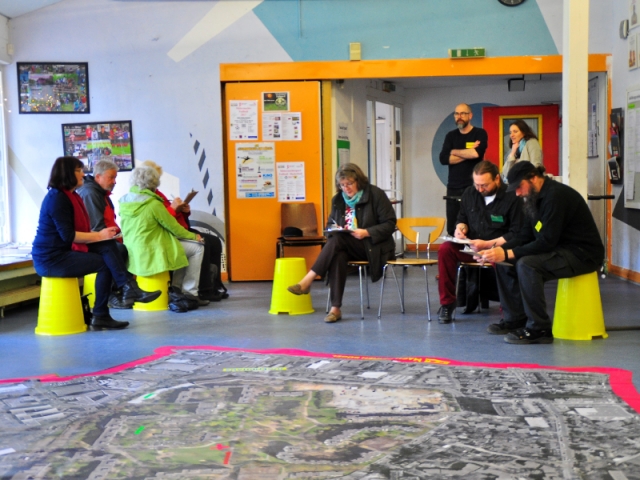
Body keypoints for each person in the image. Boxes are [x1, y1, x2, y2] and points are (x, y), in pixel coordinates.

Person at [478, 162, 605, 344]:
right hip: (560, 250)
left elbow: (546, 241)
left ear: (533, 178)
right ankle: (515, 319)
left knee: (527, 265)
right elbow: (524, 236)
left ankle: (539, 329)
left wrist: (508, 253)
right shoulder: (534, 199)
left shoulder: (556, 196)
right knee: (504, 261)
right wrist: (496, 252)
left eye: (519, 187)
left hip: (582, 254)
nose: (517, 193)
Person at [31, 156, 161, 330]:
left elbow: (74, 234)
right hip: (51, 259)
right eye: (79, 171)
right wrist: (99, 235)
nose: (83, 174)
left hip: (63, 251)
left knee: (108, 246)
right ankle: (104, 311)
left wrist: (103, 236)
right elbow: (68, 236)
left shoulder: (70, 196)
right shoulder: (57, 198)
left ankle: (127, 289)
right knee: (105, 262)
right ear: (67, 173)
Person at [287, 163, 396, 323]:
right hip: (346, 245)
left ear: (359, 180)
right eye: (342, 185)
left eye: (349, 183)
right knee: (338, 253)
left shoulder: (375, 194)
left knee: (338, 241)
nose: (346, 188)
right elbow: (329, 226)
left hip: (373, 246)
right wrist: (336, 229)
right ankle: (335, 309)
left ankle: (308, 279)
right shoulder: (338, 200)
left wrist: (366, 232)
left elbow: (390, 223)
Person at [437, 161, 523, 324]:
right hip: (472, 247)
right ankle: (447, 303)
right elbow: (462, 219)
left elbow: (516, 233)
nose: (480, 189)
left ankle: (508, 309)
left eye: (484, 185)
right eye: (477, 185)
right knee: (445, 249)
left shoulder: (512, 197)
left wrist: (487, 245)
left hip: (498, 248)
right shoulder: (470, 193)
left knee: (503, 258)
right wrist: (460, 229)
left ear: (497, 179)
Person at [118, 167, 207, 307]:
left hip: (133, 251)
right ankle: (189, 292)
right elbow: (174, 227)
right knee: (197, 248)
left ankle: (177, 289)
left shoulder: (124, 201)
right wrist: (194, 236)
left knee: (183, 249)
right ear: (154, 183)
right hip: (154, 250)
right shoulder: (153, 204)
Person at [141, 160, 227, 302]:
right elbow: (163, 221)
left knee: (215, 241)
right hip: (170, 233)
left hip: (180, 228)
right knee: (203, 243)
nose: (158, 181)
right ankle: (203, 289)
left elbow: (169, 216)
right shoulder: (149, 198)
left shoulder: (157, 194)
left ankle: (214, 284)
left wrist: (184, 211)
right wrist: (174, 208)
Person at [77, 159, 133, 309]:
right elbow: (96, 227)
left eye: (115, 178)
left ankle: (127, 288)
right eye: (111, 177)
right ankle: (115, 293)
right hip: (90, 241)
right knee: (117, 250)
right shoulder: (90, 193)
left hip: (103, 237)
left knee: (128, 246)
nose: (114, 181)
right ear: (98, 177)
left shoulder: (101, 193)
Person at [439, 103, 488, 235]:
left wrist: (453, 151)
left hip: (474, 187)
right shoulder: (450, 136)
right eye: (456, 114)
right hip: (453, 188)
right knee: (453, 227)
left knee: (474, 225)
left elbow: (476, 154)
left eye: (463, 113)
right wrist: (468, 152)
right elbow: (443, 159)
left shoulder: (479, 133)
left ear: (470, 116)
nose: (459, 117)